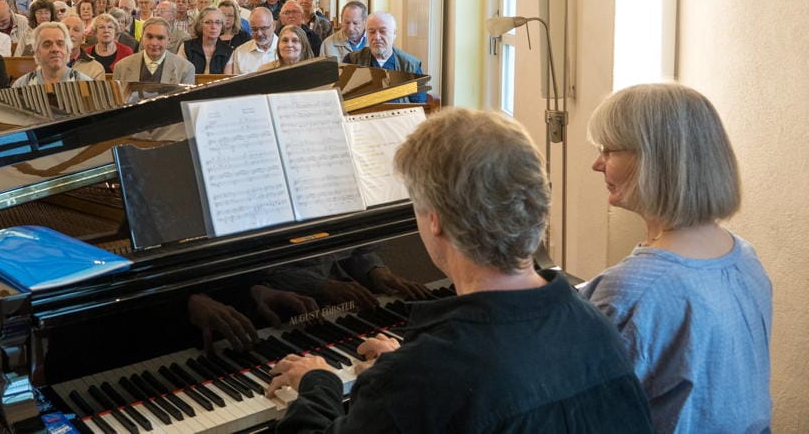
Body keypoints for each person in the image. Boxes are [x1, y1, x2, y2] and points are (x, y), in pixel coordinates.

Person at [269, 108, 653, 433]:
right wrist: (410, 366)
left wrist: (319, 384)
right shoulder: (595, 327)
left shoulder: (420, 378)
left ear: (435, 219)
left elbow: (452, 383)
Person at [581, 83, 772, 432]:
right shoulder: (745, 259)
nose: (597, 164)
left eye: (609, 151)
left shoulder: (630, 290)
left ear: (655, 159)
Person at [343, 11, 426, 103]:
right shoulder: (352, 60)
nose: (377, 37)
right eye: (372, 32)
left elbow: (419, 104)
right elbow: (343, 98)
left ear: (394, 33)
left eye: (383, 31)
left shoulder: (410, 65)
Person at [113, 17, 196, 84]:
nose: (154, 43)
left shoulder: (185, 69)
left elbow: (184, 103)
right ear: (142, 38)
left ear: (169, 40)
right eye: (149, 37)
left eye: (160, 38)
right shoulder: (121, 67)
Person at [13, 22, 94, 86]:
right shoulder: (21, 86)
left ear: (68, 50)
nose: (55, 49)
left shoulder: (86, 85)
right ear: (37, 52)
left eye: (60, 43)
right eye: (47, 44)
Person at [225, 7, 278, 74]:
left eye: (263, 28)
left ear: (273, 26)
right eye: (254, 29)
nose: (259, 33)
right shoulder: (240, 52)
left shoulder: (288, 50)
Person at [179, 6, 231, 75]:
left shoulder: (227, 51)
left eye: (217, 22)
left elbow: (227, 81)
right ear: (200, 25)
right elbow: (180, 76)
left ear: (222, 26)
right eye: (208, 22)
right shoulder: (186, 47)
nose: (213, 27)